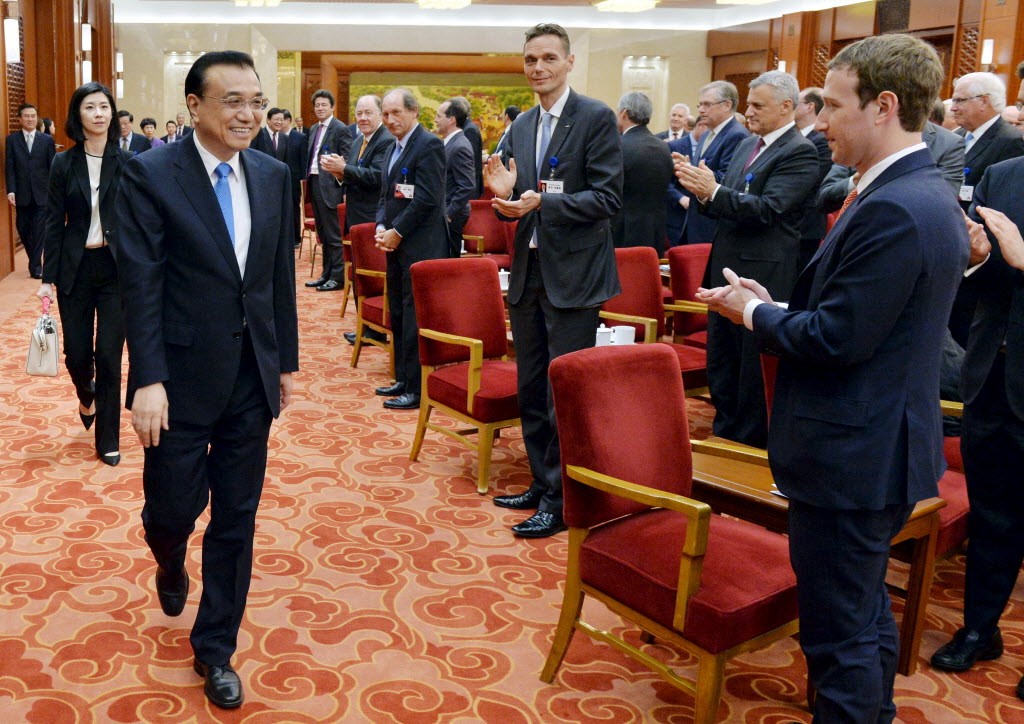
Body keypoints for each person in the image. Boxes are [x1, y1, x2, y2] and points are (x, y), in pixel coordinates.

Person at [697, 34, 967, 721]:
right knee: (863, 615)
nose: (821, 124)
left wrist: (755, 313)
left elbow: (838, 339)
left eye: (835, 107)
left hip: (853, 456)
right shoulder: (917, 192)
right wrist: (777, 305)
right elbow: (867, 319)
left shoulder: (897, 206)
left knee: (839, 636)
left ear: (882, 107)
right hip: (874, 445)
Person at [115, 50, 298, 710]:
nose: (249, 113)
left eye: (256, 100)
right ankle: (167, 556)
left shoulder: (276, 174)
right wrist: (148, 380)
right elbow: (142, 281)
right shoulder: (151, 174)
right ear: (195, 105)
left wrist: (284, 366)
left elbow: (277, 278)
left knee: (237, 519)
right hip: (181, 377)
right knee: (172, 508)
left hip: (251, 375)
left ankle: (215, 646)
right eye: (233, 101)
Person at [483, 23, 621, 538]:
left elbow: (608, 199)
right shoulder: (521, 126)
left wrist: (547, 201)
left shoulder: (595, 118)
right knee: (530, 387)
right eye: (530, 59)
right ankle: (542, 483)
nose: (537, 67)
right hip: (530, 272)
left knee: (564, 392)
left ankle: (565, 499)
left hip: (576, 277)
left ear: (568, 63)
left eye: (547, 59)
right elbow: (520, 202)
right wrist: (507, 200)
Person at [675, 69, 820, 448]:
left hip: (763, 273)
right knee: (722, 356)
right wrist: (705, 192)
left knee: (750, 365)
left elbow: (769, 210)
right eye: (749, 103)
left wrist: (715, 191)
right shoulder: (747, 145)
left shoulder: (799, 152)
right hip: (727, 263)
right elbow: (730, 204)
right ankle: (726, 430)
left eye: (758, 105)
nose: (749, 112)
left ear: (787, 106)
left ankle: (749, 441)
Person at [929, 157, 1024, 703]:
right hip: (992, 374)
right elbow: (986, 284)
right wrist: (981, 257)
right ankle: (979, 630)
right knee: (992, 518)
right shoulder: (1004, 175)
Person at [34, 84, 128, 467]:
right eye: (90, 107)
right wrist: (45, 277)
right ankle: (86, 394)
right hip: (75, 269)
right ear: (79, 115)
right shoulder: (63, 163)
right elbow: (54, 223)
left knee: (108, 354)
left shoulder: (129, 162)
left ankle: (107, 438)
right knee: (76, 353)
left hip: (115, 270)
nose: (99, 113)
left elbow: (140, 221)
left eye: (105, 106)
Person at [373, 88, 448, 410]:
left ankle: (417, 389)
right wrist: (380, 225)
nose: (390, 120)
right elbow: (385, 196)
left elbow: (428, 198)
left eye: (396, 113)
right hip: (395, 243)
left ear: (414, 111)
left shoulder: (428, 144)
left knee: (416, 317)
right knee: (400, 312)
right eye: (386, 115)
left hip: (421, 245)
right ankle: (403, 377)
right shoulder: (392, 147)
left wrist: (397, 231)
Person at [676, 81, 748, 246]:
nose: (701, 110)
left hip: (713, 224)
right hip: (696, 220)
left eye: (707, 104)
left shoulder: (737, 135)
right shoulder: (707, 133)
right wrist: (686, 168)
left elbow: (727, 180)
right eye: (700, 104)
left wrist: (690, 171)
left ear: (727, 105)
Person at [611, 91, 673, 256]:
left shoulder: (618, 146)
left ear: (624, 113)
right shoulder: (664, 147)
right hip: (655, 232)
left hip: (622, 232)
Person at [303, 89, 351, 292]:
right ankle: (326, 274)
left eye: (324, 105)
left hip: (331, 187)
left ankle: (338, 277)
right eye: (317, 105)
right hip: (314, 183)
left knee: (333, 235)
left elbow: (347, 159)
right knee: (322, 233)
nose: (320, 108)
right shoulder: (314, 128)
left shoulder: (340, 128)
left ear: (332, 107)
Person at [5, 103, 56, 279]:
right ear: (20, 119)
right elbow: (9, 167)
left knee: (40, 229)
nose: (30, 119)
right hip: (22, 193)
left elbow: (52, 167)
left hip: (42, 193)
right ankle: (33, 260)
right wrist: (11, 190)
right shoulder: (11, 140)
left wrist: (54, 190)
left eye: (33, 116)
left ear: (37, 118)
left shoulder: (47, 140)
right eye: (26, 116)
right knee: (23, 227)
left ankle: (36, 266)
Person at [436, 98, 476, 258]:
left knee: (449, 260)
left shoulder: (459, 146)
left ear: (451, 120)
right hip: (446, 212)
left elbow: (467, 186)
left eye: (439, 116)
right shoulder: (450, 143)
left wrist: (449, 214)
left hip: (452, 215)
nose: (435, 120)